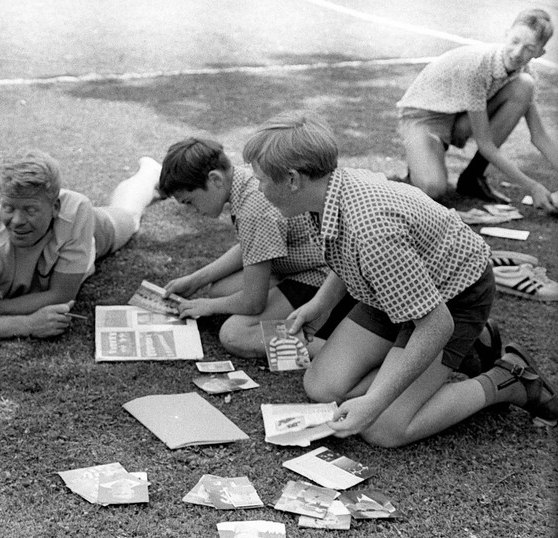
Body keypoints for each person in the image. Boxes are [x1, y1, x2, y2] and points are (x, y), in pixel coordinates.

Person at [243, 111, 557, 448]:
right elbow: (346, 252)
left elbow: (436, 325)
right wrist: (320, 302)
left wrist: (375, 403)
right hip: (392, 293)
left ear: (292, 180)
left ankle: (508, 378)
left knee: (383, 428)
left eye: (262, 180)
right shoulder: (327, 190)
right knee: (322, 388)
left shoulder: (372, 230)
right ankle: (459, 351)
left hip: (453, 299)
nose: (259, 189)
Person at [158, 138, 353, 358]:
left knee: (235, 334)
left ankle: (335, 351)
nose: (193, 210)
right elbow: (250, 246)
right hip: (297, 266)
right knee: (219, 290)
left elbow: (253, 303)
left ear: (215, 179)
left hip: (317, 276)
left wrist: (208, 307)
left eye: (190, 201)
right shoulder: (241, 180)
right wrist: (196, 279)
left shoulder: (253, 208)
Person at [0, 150, 160, 341]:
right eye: (8, 207)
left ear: (55, 206)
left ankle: (149, 173)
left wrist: (0, 309)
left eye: (30, 209)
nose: (16, 221)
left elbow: (61, 294)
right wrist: (27, 325)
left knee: (129, 216)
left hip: (92, 237)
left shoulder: (75, 211)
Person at [396, 8, 558, 212]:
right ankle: (417, 168)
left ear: (539, 53)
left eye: (529, 48)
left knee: (525, 85)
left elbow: (540, 136)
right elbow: (485, 144)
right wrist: (532, 187)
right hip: (423, 117)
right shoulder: (479, 66)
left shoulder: (525, 72)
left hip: (458, 115)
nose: (518, 53)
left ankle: (472, 178)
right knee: (433, 189)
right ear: (506, 34)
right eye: (515, 41)